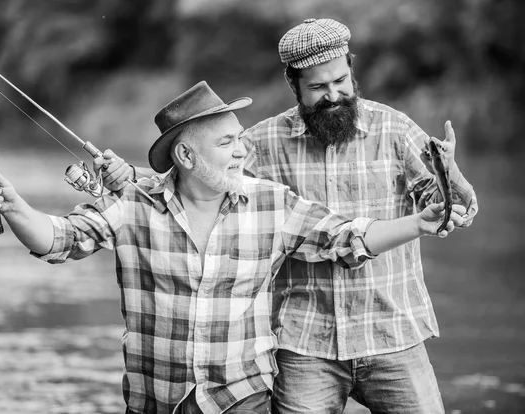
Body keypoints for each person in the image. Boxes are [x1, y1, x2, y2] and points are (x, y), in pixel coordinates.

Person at [0, 81, 464, 414]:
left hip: (242, 399)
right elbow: (60, 240)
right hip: (155, 400)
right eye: (229, 142)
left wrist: (417, 223)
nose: (243, 151)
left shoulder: (271, 205)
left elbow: (350, 236)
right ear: (187, 155)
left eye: (241, 141)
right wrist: (15, 206)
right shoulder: (134, 205)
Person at [104, 19, 479, 414]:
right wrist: (131, 178)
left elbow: (455, 210)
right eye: (318, 87)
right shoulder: (262, 142)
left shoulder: (395, 129)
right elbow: (198, 177)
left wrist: (449, 176)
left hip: (394, 331)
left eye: (341, 80)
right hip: (302, 342)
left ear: (352, 69)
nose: (334, 95)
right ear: (293, 84)